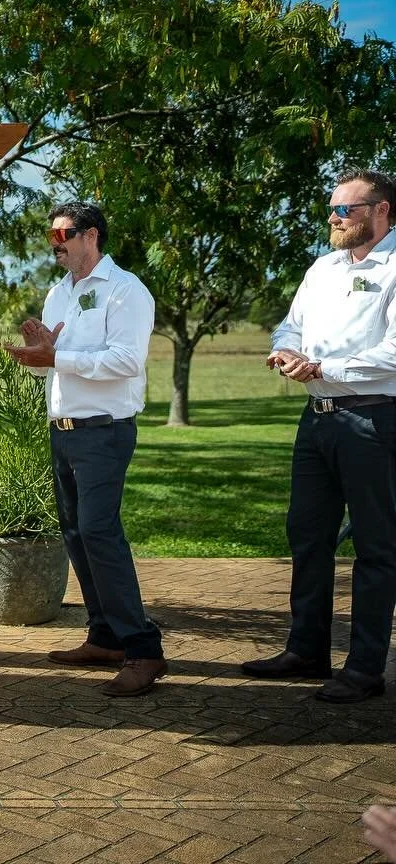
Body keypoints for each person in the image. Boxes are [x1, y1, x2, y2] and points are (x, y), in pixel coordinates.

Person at [242, 169, 396, 704]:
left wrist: (324, 366)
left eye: (345, 210)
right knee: (308, 536)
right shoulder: (324, 267)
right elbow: (291, 324)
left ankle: (365, 668)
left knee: (377, 547)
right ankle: (307, 650)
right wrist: (286, 352)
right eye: (331, 209)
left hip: (375, 421)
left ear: (380, 210)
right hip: (318, 420)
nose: (334, 219)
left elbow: (394, 353)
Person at [4, 201, 166, 697]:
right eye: (51, 235)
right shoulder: (58, 294)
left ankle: (144, 650)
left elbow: (125, 360)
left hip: (104, 429)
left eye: (63, 234)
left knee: (99, 531)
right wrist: (39, 352)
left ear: (91, 235)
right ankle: (105, 636)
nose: (55, 243)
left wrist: (58, 355)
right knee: (76, 533)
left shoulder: (126, 290)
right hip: (64, 428)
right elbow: (56, 364)